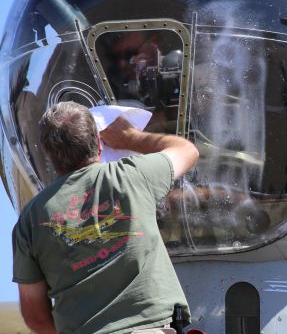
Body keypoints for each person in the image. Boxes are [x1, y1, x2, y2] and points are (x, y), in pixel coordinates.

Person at [12, 101, 199, 334]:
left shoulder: (30, 219)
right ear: (98, 143)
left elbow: (35, 316)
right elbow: (187, 150)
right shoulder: (132, 176)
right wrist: (130, 138)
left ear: (49, 154)